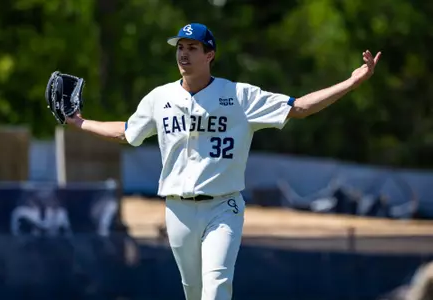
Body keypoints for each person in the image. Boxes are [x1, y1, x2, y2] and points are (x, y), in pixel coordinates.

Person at [64, 23, 381, 300]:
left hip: (223, 207)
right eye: (180, 47)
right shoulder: (159, 98)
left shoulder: (239, 96)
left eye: (193, 47)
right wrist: (80, 122)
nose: (183, 54)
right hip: (178, 210)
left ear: (210, 55)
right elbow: (127, 132)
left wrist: (351, 82)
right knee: (193, 291)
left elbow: (298, 108)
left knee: (215, 287)